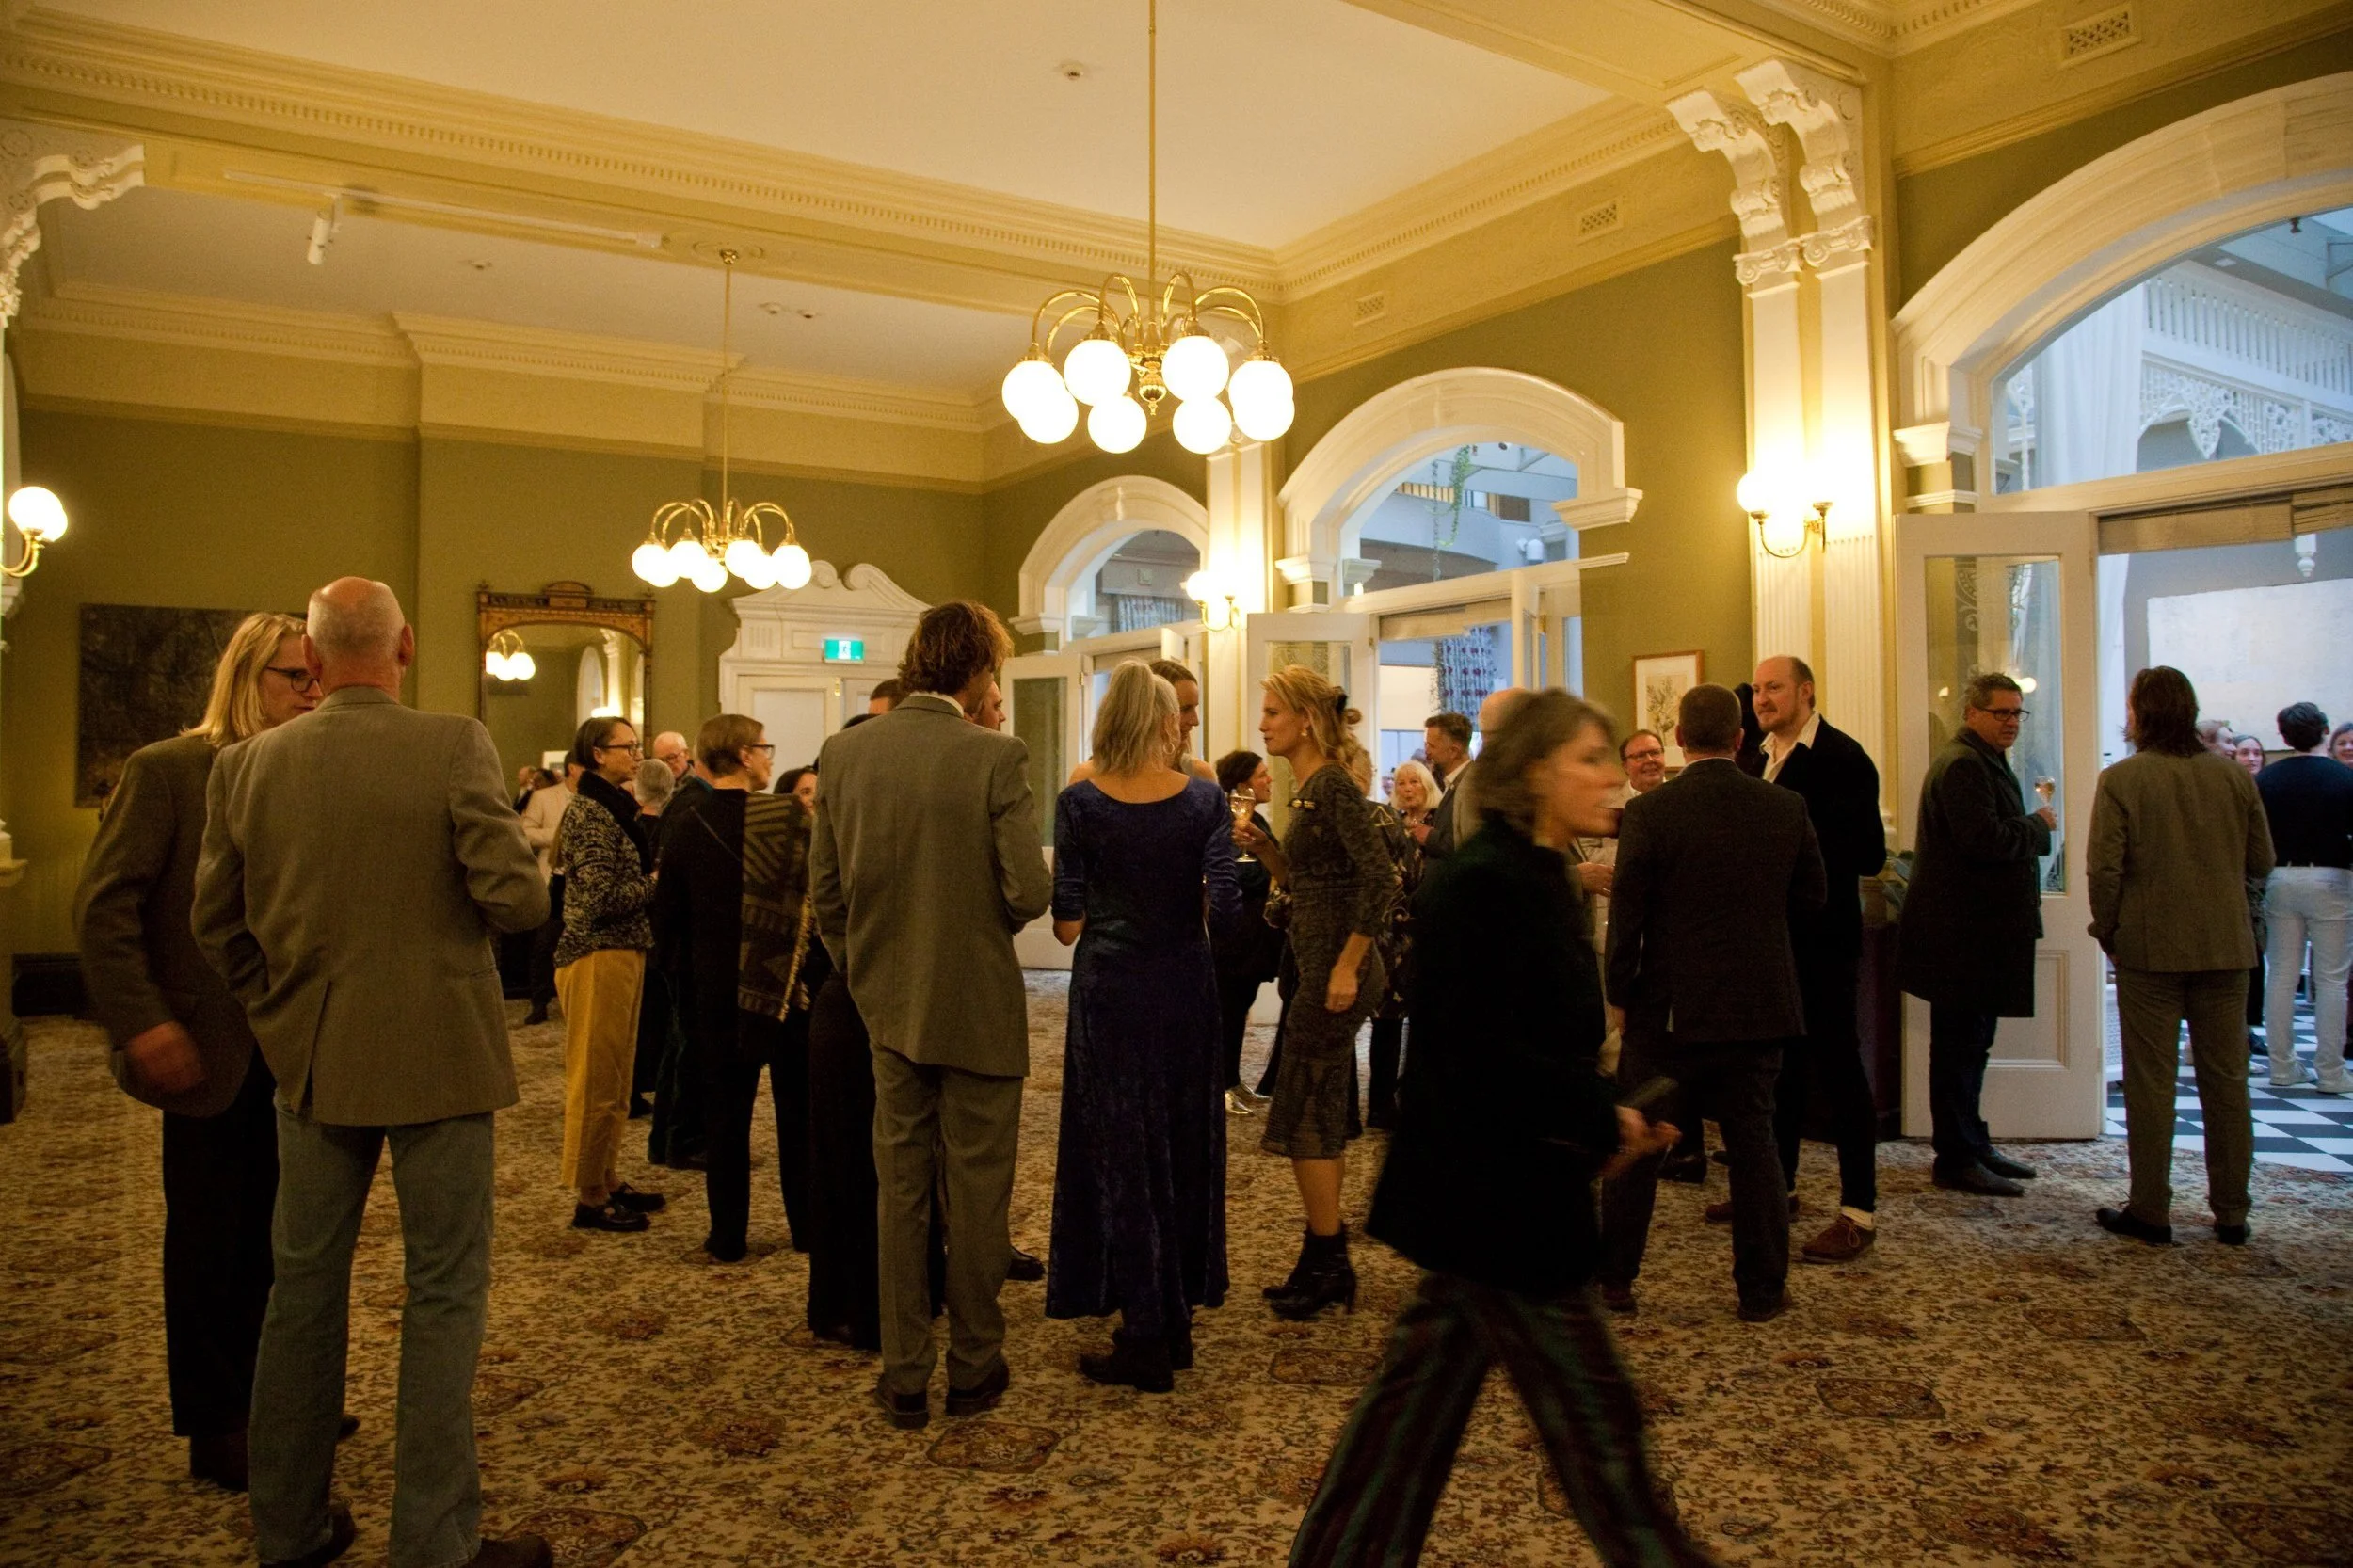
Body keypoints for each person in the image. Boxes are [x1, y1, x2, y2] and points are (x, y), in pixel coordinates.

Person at [1288, 691, 1712, 1568]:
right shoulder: (1487, 881)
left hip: (1494, 1198)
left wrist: (1604, 1119)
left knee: (1408, 1422)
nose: (1612, 777)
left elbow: (1527, 1049)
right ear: (1535, 774)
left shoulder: (1540, 872)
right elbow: (1484, 1060)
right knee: (1600, 1434)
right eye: (1590, 759)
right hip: (1501, 1205)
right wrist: (1601, 1118)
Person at [192, 578, 550, 1568]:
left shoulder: (248, 766)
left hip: (310, 1057)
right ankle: (433, 1540)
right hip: (440, 1052)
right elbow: (516, 902)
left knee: (301, 1289)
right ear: (404, 648)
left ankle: (289, 1527)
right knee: (442, 1292)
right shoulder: (452, 744)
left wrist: (280, 1012)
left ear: (310, 659)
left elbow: (215, 925)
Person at [75, 612, 318, 1492]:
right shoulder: (169, 771)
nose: (310, 693)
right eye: (295, 677)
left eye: (317, 678)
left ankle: (280, 1396)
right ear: (248, 678)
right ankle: (218, 1423)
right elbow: (104, 910)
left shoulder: (310, 775)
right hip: (207, 1050)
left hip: (300, 1050)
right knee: (213, 1245)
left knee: (291, 1243)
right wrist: (143, 1021)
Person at [811, 600, 1053, 1431]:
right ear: (982, 669)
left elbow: (827, 894)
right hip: (978, 1006)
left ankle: (906, 1371)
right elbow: (1028, 890)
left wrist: (868, 975)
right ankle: (976, 1365)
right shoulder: (995, 755)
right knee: (979, 1193)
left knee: (900, 1190)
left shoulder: (844, 754)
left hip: (886, 1007)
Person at [1597, 684, 1824, 1323]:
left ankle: (1615, 1279)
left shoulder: (1651, 813)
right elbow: (1813, 898)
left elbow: (1628, 918)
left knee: (1639, 1144)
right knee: (1755, 1150)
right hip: (1758, 1005)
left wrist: (1619, 996)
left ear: (1677, 740)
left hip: (1669, 1010)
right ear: (1739, 738)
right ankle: (1761, 1289)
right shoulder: (1785, 806)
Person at [1046, 662, 1240, 1391]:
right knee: (1181, 1143)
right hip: (1187, 985)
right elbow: (1228, 906)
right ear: (1166, 721)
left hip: (1112, 990)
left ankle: (1146, 1333)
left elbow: (1066, 926)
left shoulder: (1080, 802)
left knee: (1122, 1153)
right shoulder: (1205, 800)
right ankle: (1174, 1321)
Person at [2089, 667, 2275, 1246]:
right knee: (2227, 1082)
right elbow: (2261, 859)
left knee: (2152, 1083)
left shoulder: (2123, 778)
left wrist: (2110, 930)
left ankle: (2151, 1208)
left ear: (2140, 712)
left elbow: (2104, 869)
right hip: (2225, 945)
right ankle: (2232, 1212)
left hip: (2150, 947)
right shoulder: (2232, 777)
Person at [1233, 665, 1394, 1320]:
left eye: (1272, 712)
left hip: (1336, 970)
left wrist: (1348, 966)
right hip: (1321, 960)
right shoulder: (1306, 791)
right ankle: (1324, 1256)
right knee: (1312, 1108)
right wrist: (1269, 853)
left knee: (1306, 1110)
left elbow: (1381, 881)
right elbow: (1312, 881)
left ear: (1305, 719)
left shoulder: (1328, 784)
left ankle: (1328, 1258)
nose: (1264, 723)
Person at [652, 714, 820, 1261]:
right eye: (765, 747)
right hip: (784, 989)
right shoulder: (789, 818)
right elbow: (816, 908)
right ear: (745, 756)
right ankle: (806, 1229)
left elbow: (667, 916)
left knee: (725, 1120)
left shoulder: (685, 819)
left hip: (717, 992)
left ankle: (727, 1236)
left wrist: (688, 981)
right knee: (798, 1118)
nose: (771, 757)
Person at [1751, 656, 1889, 1265]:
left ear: (1806, 691)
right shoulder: (1754, 758)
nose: (1762, 698)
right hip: (1772, 942)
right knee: (1778, 1069)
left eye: (1773, 687)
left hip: (1825, 941)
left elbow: (1867, 854)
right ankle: (1777, 1189)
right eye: (1757, 688)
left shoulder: (1843, 756)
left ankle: (1859, 1211)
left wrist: (1793, 837)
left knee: (1839, 1072)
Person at [1897, 673, 2055, 1197]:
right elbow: (1981, 839)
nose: (2011, 722)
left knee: (1971, 1047)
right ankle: (1957, 1156)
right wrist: (2037, 827)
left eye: (2017, 714)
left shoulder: (1978, 758)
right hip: (1961, 937)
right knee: (1959, 1051)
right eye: (2001, 713)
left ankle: (1973, 1143)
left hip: (1972, 934)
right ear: (1972, 713)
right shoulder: (1964, 763)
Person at [552, 716, 662, 1234]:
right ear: (598, 754)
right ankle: (590, 1195)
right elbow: (597, 900)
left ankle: (609, 1174)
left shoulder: (613, 807)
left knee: (618, 1075)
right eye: (628, 747)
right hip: (597, 952)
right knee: (595, 1078)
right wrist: (654, 884)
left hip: (622, 951)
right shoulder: (593, 814)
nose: (637, 755)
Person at [2255, 702, 2353, 1093]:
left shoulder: (2267, 780)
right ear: (2324, 732)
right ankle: (2330, 1072)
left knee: (2280, 975)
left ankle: (2282, 1067)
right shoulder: (2343, 778)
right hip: (2331, 875)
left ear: (2283, 736)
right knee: (2331, 980)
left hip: (2279, 875)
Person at [1211, 750, 1282, 1115]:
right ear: (1242, 786)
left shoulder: (1259, 822)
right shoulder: (1228, 822)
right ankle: (1221, 1084)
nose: (1269, 780)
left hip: (1255, 934)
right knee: (1229, 1008)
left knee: (1241, 1007)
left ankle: (1235, 1080)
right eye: (1262, 775)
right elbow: (1233, 874)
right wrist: (1269, 875)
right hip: (1235, 932)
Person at [629, 759, 676, 1119]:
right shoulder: (674, 829)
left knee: (634, 1015)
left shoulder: (627, 827)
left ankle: (631, 1088)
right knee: (659, 1015)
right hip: (660, 931)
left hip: (630, 931)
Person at [519, 758, 578, 1025]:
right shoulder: (544, 797)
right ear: (573, 768)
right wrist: (558, 834)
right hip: (552, 880)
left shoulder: (595, 797)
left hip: (581, 883)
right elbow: (525, 832)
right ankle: (539, 1002)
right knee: (544, 946)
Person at [1417, 711, 1474, 857]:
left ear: (1453, 751)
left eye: (1432, 746)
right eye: (1426, 745)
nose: (1427, 752)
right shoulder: (1450, 782)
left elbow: (1470, 846)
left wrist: (1429, 837)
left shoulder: (1470, 786)